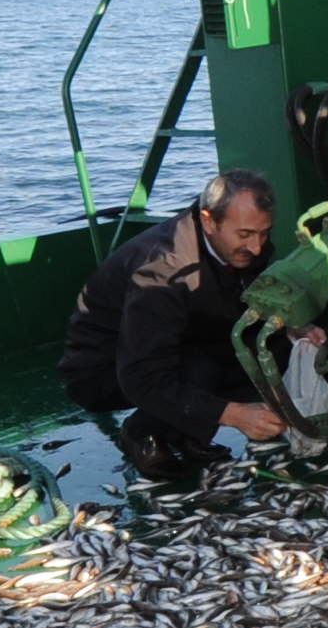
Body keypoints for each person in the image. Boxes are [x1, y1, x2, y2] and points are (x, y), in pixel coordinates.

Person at [59, 169, 308, 476]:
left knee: (280, 347)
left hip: (182, 333)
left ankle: (189, 433)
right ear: (208, 220)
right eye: (244, 235)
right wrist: (234, 415)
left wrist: (292, 324)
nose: (257, 247)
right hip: (104, 368)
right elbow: (141, 375)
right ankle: (143, 432)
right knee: (202, 368)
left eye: (264, 233)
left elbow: (254, 292)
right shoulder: (162, 271)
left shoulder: (243, 244)